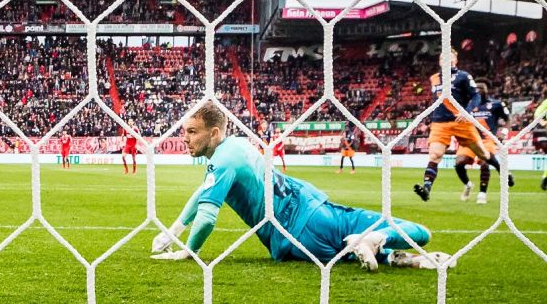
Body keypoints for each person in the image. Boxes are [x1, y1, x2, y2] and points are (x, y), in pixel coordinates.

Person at [150, 101, 451, 271]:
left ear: (213, 133)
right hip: (314, 212)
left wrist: (188, 251)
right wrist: (174, 231)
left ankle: (396, 255)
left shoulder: (222, 160)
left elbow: (207, 215)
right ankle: (392, 248)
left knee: (344, 252)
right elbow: (204, 198)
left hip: (294, 239)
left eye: (191, 131)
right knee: (419, 232)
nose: (185, 138)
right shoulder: (237, 146)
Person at [415, 50, 511, 202]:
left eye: (449, 56)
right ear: (439, 62)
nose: (445, 59)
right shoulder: (434, 78)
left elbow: (476, 96)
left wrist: (467, 112)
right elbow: (436, 100)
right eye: (442, 57)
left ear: (455, 60)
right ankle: (426, 188)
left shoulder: (463, 76)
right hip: (440, 123)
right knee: (435, 155)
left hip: (462, 122)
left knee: (483, 154)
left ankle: (502, 170)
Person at [452, 82, 507, 204]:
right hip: (470, 139)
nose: (479, 90)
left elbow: (507, 118)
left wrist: (504, 131)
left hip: (487, 140)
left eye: (482, 88)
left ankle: (482, 194)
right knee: (459, 163)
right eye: (477, 88)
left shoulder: (495, 104)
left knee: (484, 162)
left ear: (487, 90)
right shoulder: (468, 105)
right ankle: (468, 185)